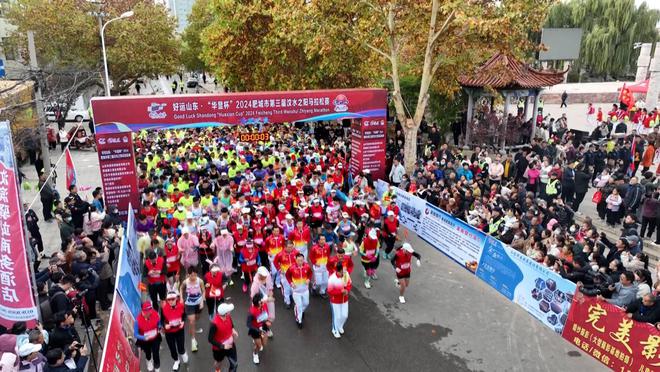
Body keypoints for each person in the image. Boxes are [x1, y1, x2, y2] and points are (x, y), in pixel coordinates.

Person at [180, 266, 205, 352]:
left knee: (197, 318)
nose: (193, 277)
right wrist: (181, 298)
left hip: (198, 303)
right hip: (189, 304)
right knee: (191, 321)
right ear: (188, 275)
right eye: (191, 275)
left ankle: (194, 328)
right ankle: (193, 341)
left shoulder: (200, 281)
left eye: (195, 275)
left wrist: (202, 301)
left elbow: (203, 290)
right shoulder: (185, 282)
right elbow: (181, 288)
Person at [161, 291, 188, 371]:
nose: (170, 301)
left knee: (180, 347)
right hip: (169, 332)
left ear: (176, 298)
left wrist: (183, 321)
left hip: (179, 330)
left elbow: (184, 315)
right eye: (168, 300)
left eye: (172, 299)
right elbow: (162, 320)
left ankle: (183, 352)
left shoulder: (181, 306)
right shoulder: (164, 308)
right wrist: (165, 325)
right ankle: (176, 361)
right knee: (172, 348)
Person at [208, 303, 238, 372]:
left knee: (234, 363)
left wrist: (233, 330)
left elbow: (231, 324)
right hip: (219, 349)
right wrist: (223, 346)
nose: (230, 312)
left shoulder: (228, 317)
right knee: (218, 362)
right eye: (229, 311)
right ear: (225, 313)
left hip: (230, 345)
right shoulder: (214, 324)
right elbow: (210, 339)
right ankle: (217, 370)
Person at [285, 252, 312, 328]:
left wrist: (308, 279)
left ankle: (300, 310)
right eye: (298, 260)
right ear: (295, 260)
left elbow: (310, 274)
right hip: (296, 291)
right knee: (299, 306)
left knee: (306, 303)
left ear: (303, 260)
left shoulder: (307, 266)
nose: (300, 262)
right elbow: (287, 276)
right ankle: (299, 320)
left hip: (305, 290)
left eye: (301, 260)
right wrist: (291, 283)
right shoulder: (291, 268)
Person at [327, 262, 352, 338]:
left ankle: (340, 326)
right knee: (337, 317)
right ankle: (334, 330)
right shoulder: (332, 279)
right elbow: (330, 291)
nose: (343, 273)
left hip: (345, 299)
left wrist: (347, 290)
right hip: (335, 301)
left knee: (345, 315)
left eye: (343, 271)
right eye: (341, 272)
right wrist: (340, 292)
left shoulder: (346, 274)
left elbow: (349, 283)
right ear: (337, 271)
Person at [135, 301, 161, 372]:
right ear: (143, 311)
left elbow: (159, 323)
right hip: (145, 340)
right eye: (147, 312)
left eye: (150, 312)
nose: (149, 314)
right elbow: (136, 334)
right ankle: (149, 361)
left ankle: (157, 368)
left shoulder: (155, 313)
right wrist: (143, 337)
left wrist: (159, 327)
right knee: (148, 353)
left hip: (155, 338)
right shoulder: (138, 320)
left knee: (156, 353)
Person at [246, 293, 271, 364]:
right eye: (263, 299)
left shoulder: (264, 305)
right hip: (255, 330)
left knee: (264, 344)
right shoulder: (252, 312)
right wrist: (258, 331)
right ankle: (255, 354)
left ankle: (257, 341)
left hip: (264, 327)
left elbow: (265, 316)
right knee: (259, 346)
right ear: (259, 302)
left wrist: (267, 321)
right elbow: (248, 324)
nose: (265, 300)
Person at [250, 266, 276, 336]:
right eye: (263, 276)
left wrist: (270, 295)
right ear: (259, 275)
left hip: (268, 300)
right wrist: (266, 299)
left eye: (265, 276)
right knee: (261, 318)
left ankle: (266, 328)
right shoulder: (255, 285)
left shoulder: (268, 277)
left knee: (270, 317)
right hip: (259, 304)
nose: (265, 277)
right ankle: (259, 332)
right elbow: (254, 299)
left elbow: (270, 288)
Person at [273, 241, 298, 309]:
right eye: (289, 247)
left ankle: (293, 299)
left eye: (292, 247)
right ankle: (287, 302)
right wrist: (280, 269)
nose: (291, 249)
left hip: (294, 274)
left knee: (293, 287)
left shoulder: (296, 253)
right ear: (285, 247)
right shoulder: (280, 255)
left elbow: (300, 261)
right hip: (285, 275)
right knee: (286, 288)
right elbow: (275, 262)